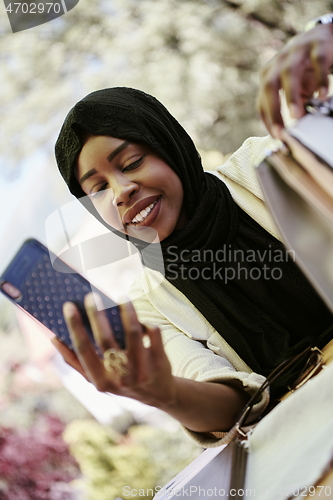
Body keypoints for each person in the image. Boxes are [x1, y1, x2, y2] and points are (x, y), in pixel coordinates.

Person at [53, 19, 333, 448]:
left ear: (172, 147)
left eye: (130, 163)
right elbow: (231, 405)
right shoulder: (149, 303)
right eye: (98, 189)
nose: (122, 191)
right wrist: (163, 393)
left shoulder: (265, 167)